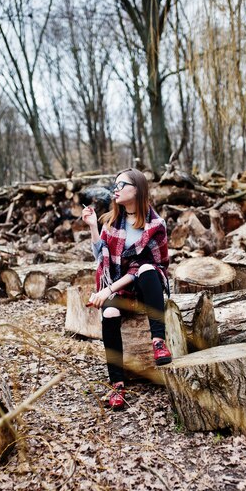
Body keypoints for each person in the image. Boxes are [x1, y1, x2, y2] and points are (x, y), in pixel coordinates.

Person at [82, 167, 172, 410]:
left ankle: (158, 342)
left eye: (122, 185)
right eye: (115, 185)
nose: (116, 189)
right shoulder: (112, 222)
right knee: (110, 313)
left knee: (147, 270)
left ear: (138, 190)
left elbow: (144, 266)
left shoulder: (155, 225)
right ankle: (117, 385)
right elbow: (100, 258)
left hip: (145, 285)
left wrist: (107, 291)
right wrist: (92, 226)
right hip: (117, 286)